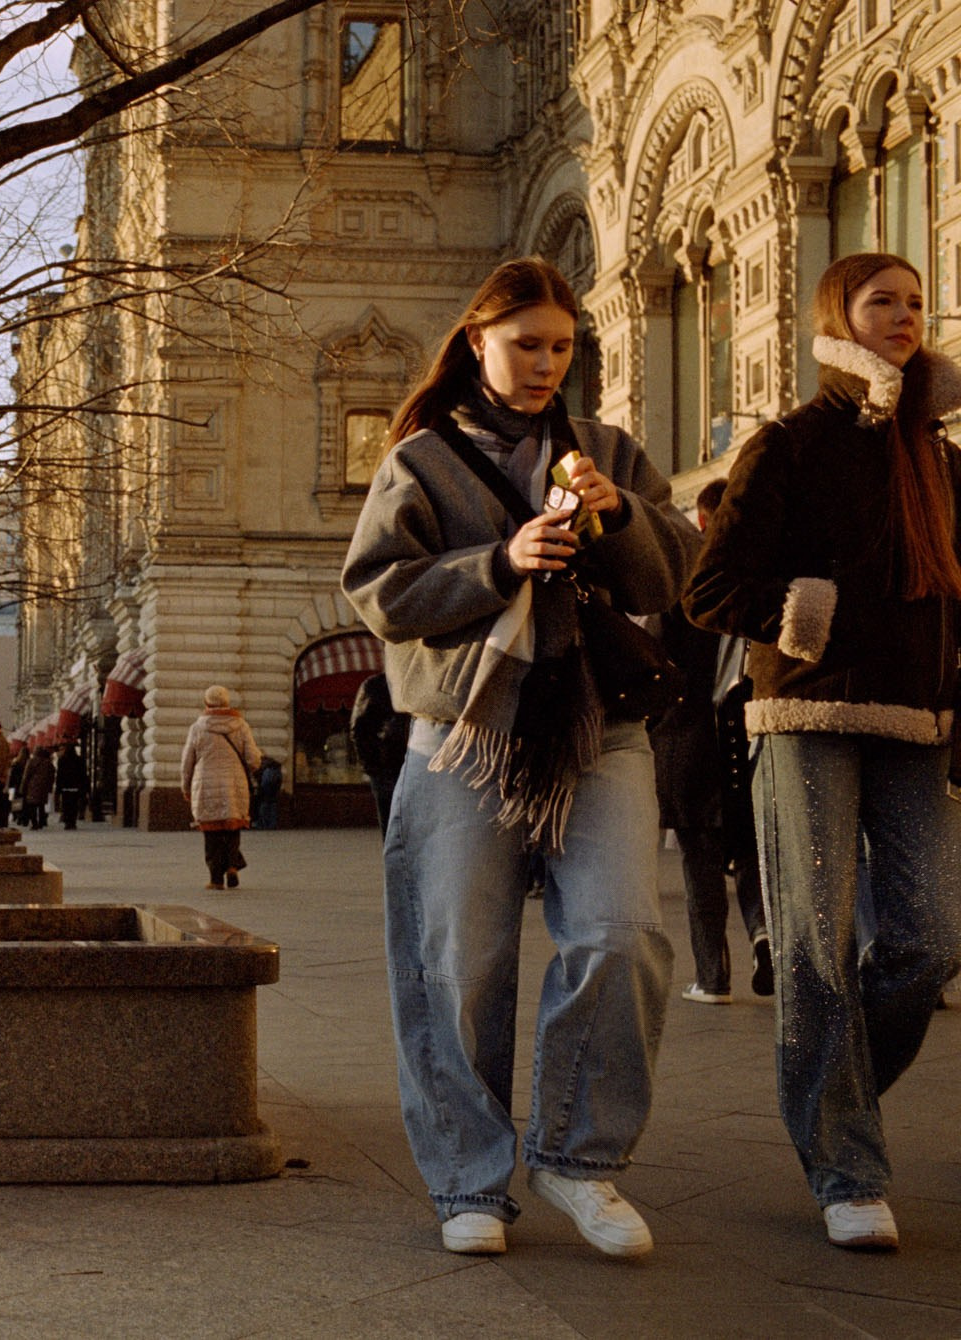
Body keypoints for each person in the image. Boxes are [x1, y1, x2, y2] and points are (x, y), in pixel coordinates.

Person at [341, 257, 697, 1260]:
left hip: (596, 731)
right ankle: (467, 1178)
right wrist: (499, 563)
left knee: (620, 934)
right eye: (525, 344)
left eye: (560, 346)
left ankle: (579, 1160)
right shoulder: (418, 460)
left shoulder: (606, 451)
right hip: (462, 736)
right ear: (476, 343)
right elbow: (378, 588)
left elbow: (675, 571)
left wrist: (618, 515)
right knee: (459, 961)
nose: (545, 363)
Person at [683, 252, 961, 1252]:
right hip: (803, 718)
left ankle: (829, 1100)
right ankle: (845, 1163)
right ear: (835, 314)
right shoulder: (789, 444)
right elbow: (708, 589)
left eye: (914, 303)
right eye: (878, 300)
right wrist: (792, 612)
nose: (900, 315)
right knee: (810, 948)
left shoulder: (937, 454)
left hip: (914, 727)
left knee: (928, 938)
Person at [653, 485, 767, 1005]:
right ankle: (764, 936)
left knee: (700, 860)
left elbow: (652, 654)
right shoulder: (757, 577)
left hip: (690, 733)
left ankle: (712, 978)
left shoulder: (682, 581)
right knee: (748, 849)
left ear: (701, 523)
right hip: (746, 732)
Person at [180, 686, 261, 890]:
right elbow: (253, 759)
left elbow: (187, 761)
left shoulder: (197, 727)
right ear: (227, 703)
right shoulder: (241, 725)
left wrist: (185, 786)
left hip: (205, 784)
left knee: (212, 832)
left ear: (206, 703)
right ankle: (233, 866)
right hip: (235, 783)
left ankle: (216, 879)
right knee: (232, 827)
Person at [350, 673, 410, 832]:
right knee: (393, 829)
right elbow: (359, 729)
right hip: (387, 769)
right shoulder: (376, 686)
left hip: (418, 766)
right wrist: (374, 769)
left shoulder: (420, 681)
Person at [21, 739, 54, 831]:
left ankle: (34, 823)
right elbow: (52, 774)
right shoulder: (47, 763)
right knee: (41, 805)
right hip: (44, 787)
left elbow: (26, 776)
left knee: (32, 806)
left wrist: (22, 788)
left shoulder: (31, 761)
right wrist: (50, 786)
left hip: (32, 787)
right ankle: (41, 822)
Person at [54, 741, 88, 831]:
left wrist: (58, 788)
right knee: (74, 805)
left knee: (66, 805)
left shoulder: (62, 760)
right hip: (75, 786)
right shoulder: (79, 760)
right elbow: (83, 775)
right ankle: (72, 822)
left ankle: (67, 822)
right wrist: (84, 787)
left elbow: (59, 775)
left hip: (65, 786)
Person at [252, 755, 284, 830]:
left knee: (264, 808)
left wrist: (262, 790)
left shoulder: (268, 770)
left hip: (266, 792)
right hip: (274, 792)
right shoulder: (277, 769)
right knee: (272, 808)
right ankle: (271, 825)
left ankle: (263, 824)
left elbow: (265, 783)